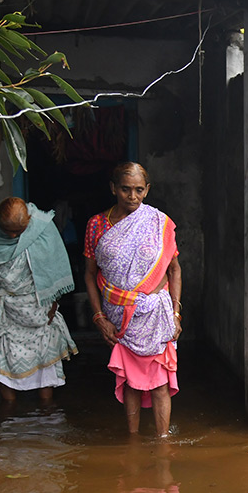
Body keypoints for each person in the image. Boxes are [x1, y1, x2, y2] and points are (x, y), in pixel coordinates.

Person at [83, 162, 182, 437]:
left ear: (147, 190)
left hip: (156, 313)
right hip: (119, 316)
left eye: (139, 190)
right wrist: (99, 317)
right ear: (113, 188)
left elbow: (173, 269)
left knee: (161, 381)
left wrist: (175, 313)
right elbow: (90, 275)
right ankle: (133, 442)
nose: (132, 196)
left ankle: (163, 443)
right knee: (130, 382)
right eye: (125, 189)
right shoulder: (97, 225)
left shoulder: (159, 222)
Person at [0, 197, 78, 405]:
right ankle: (9, 413)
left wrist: (54, 299)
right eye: (8, 231)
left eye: (19, 232)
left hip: (40, 310)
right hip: (7, 310)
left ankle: (45, 413)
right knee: (4, 357)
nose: (13, 237)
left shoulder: (41, 227)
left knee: (45, 360)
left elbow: (52, 266)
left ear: (29, 222)